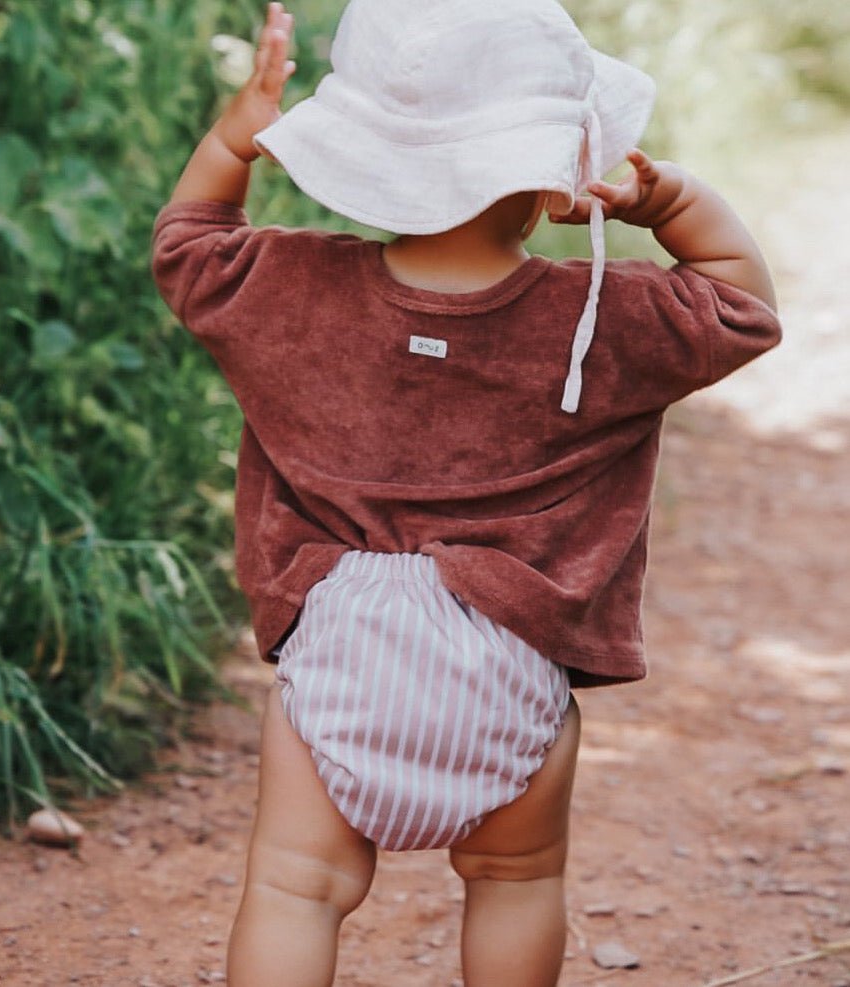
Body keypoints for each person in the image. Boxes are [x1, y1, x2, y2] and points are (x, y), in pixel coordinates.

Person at [151, 1, 781, 984]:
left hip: (338, 653)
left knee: (295, 888)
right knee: (515, 881)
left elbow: (186, 245)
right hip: (512, 660)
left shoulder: (286, 287)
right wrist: (667, 203)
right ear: (548, 183)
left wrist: (237, 138)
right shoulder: (598, 319)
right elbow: (742, 306)